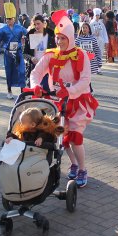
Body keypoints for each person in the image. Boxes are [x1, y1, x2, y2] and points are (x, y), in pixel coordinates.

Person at [29, 10, 98, 188]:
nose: (59, 42)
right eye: (58, 38)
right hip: (57, 102)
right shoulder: (51, 55)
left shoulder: (80, 55)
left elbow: (85, 80)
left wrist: (70, 91)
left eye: (63, 38)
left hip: (78, 102)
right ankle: (74, 164)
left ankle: (82, 169)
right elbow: (35, 73)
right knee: (61, 136)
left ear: (70, 38)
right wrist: (36, 85)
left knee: (75, 136)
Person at [0, 3, 27, 100]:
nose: (8, 21)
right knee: (9, 72)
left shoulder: (20, 28)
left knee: (21, 71)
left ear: (14, 19)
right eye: (7, 19)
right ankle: (9, 90)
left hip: (18, 53)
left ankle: (22, 92)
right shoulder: (2, 30)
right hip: (8, 53)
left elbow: (29, 33)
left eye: (10, 19)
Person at [23, 15, 56, 90]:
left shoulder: (51, 35)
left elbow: (55, 51)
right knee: (36, 90)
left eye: (38, 24)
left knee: (47, 90)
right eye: (35, 24)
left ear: (44, 23)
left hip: (47, 67)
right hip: (34, 67)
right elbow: (24, 54)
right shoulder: (30, 36)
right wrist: (31, 58)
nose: (36, 26)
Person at [89, 8, 107, 74]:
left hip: (101, 41)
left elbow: (104, 32)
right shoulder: (91, 23)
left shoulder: (101, 23)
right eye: (96, 15)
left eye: (98, 15)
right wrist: (93, 34)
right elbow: (89, 32)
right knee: (94, 54)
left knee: (100, 54)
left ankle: (99, 68)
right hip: (93, 41)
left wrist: (106, 41)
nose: (97, 17)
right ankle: (94, 67)